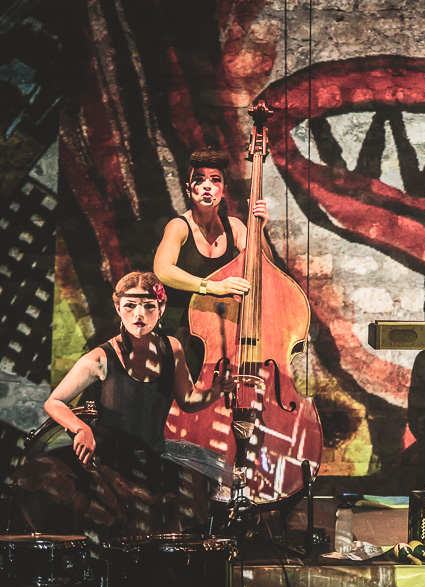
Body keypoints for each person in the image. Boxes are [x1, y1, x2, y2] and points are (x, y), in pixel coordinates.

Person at [17, 272, 231, 540]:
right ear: (118, 308)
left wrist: (215, 392)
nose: (139, 314)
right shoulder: (100, 357)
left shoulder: (172, 349)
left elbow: (188, 401)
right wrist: (80, 428)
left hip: (154, 460)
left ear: (161, 310)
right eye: (130, 306)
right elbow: (54, 402)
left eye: (148, 306)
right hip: (109, 464)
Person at [153, 147, 268, 373]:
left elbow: (262, 267)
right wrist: (212, 287)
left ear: (223, 190)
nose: (207, 185)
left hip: (219, 331)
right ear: (189, 189)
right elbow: (162, 270)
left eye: (215, 180)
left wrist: (259, 230)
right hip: (180, 331)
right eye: (199, 180)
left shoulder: (234, 226)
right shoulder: (179, 226)